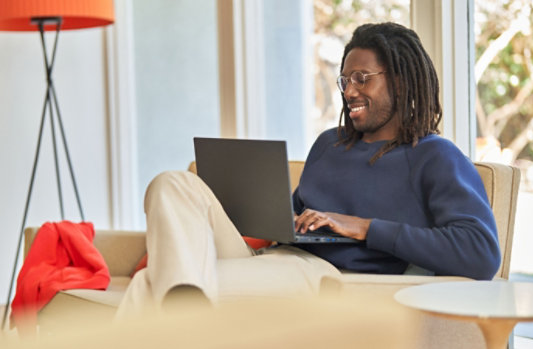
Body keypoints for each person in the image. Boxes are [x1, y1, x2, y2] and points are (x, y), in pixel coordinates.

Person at [117, 22, 500, 316]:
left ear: (400, 82)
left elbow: (481, 253)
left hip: (327, 275)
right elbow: (297, 214)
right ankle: (185, 310)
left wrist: (364, 227)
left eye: (362, 79)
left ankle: (180, 312)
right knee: (171, 183)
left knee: (149, 286)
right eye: (345, 80)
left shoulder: (435, 156)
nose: (349, 91)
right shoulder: (329, 144)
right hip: (275, 259)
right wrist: (271, 215)